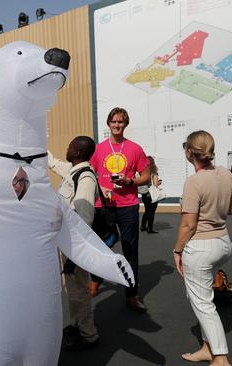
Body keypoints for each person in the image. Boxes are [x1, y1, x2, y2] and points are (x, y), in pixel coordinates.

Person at [174, 131, 232, 366]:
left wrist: (177, 251)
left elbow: (188, 225)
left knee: (202, 303)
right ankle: (206, 348)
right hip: (223, 243)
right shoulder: (227, 174)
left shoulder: (194, 181)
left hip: (201, 247)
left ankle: (220, 358)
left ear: (189, 152)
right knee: (201, 296)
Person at [89, 107, 150, 313]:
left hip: (128, 205)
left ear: (126, 124)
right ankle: (95, 280)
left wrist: (130, 180)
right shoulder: (98, 149)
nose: (117, 125)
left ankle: (132, 294)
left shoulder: (134, 148)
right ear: (108, 123)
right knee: (99, 247)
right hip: (103, 206)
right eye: (114, 122)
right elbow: (89, 173)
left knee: (130, 250)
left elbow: (146, 176)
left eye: (121, 122)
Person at [48, 136, 99, 350]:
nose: (67, 149)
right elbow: (52, 162)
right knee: (72, 290)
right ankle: (77, 325)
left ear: (77, 152)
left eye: (70, 147)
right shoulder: (73, 171)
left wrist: (73, 256)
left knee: (78, 291)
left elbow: (84, 220)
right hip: (66, 243)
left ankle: (88, 334)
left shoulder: (85, 178)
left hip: (73, 247)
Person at [139, 156, 161, 234]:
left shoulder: (143, 172)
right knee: (151, 211)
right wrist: (159, 182)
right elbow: (155, 185)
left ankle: (142, 226)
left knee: (146, 210)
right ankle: (150, 228)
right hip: (152, 194)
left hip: (145, 194)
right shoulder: (154, 172)